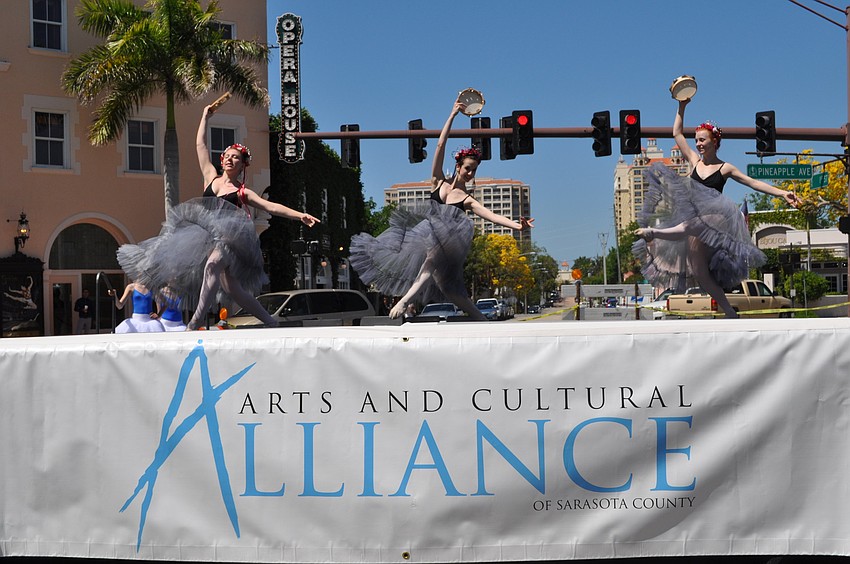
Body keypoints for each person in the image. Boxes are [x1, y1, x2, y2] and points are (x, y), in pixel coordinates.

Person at [117, 105, 320, 330]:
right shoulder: (211, 178)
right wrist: (204, 117)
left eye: (236, 158)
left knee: (212, 265)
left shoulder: (243, 191)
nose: (230, 160)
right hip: (208, 237)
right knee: (234, 289)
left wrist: (299, 215)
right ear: (222, 160)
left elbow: (269, 205)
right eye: (228, 157)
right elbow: (200, 146)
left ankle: (196, 321)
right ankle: (270, 321)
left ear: (243, 165)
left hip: (232, 240)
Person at [350, 93, 533, 320]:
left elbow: (492, 216)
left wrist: (517, 226)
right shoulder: (438, 181)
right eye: (467, 168)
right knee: (452, 292)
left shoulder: (467, 200)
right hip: (426, 235)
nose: (470, 173)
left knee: (430, 265)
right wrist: (453, 114)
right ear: (458, 166)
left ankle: (405, 300)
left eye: (474, 170)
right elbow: (440, 144)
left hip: (448, 246)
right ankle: (485, 322)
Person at [633, 96, 799, 318]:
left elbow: (753, 182)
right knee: (701, 272)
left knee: (691, 225)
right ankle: (730, 312)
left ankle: (654, 233)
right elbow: (677, 134)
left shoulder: (724, 168)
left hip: (716, 220)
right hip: (694, 224)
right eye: (697, 140)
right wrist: (681, 106)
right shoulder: (694, 161)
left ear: (715, 141)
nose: (699, 144)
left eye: (703, 140)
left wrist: (782, 193)